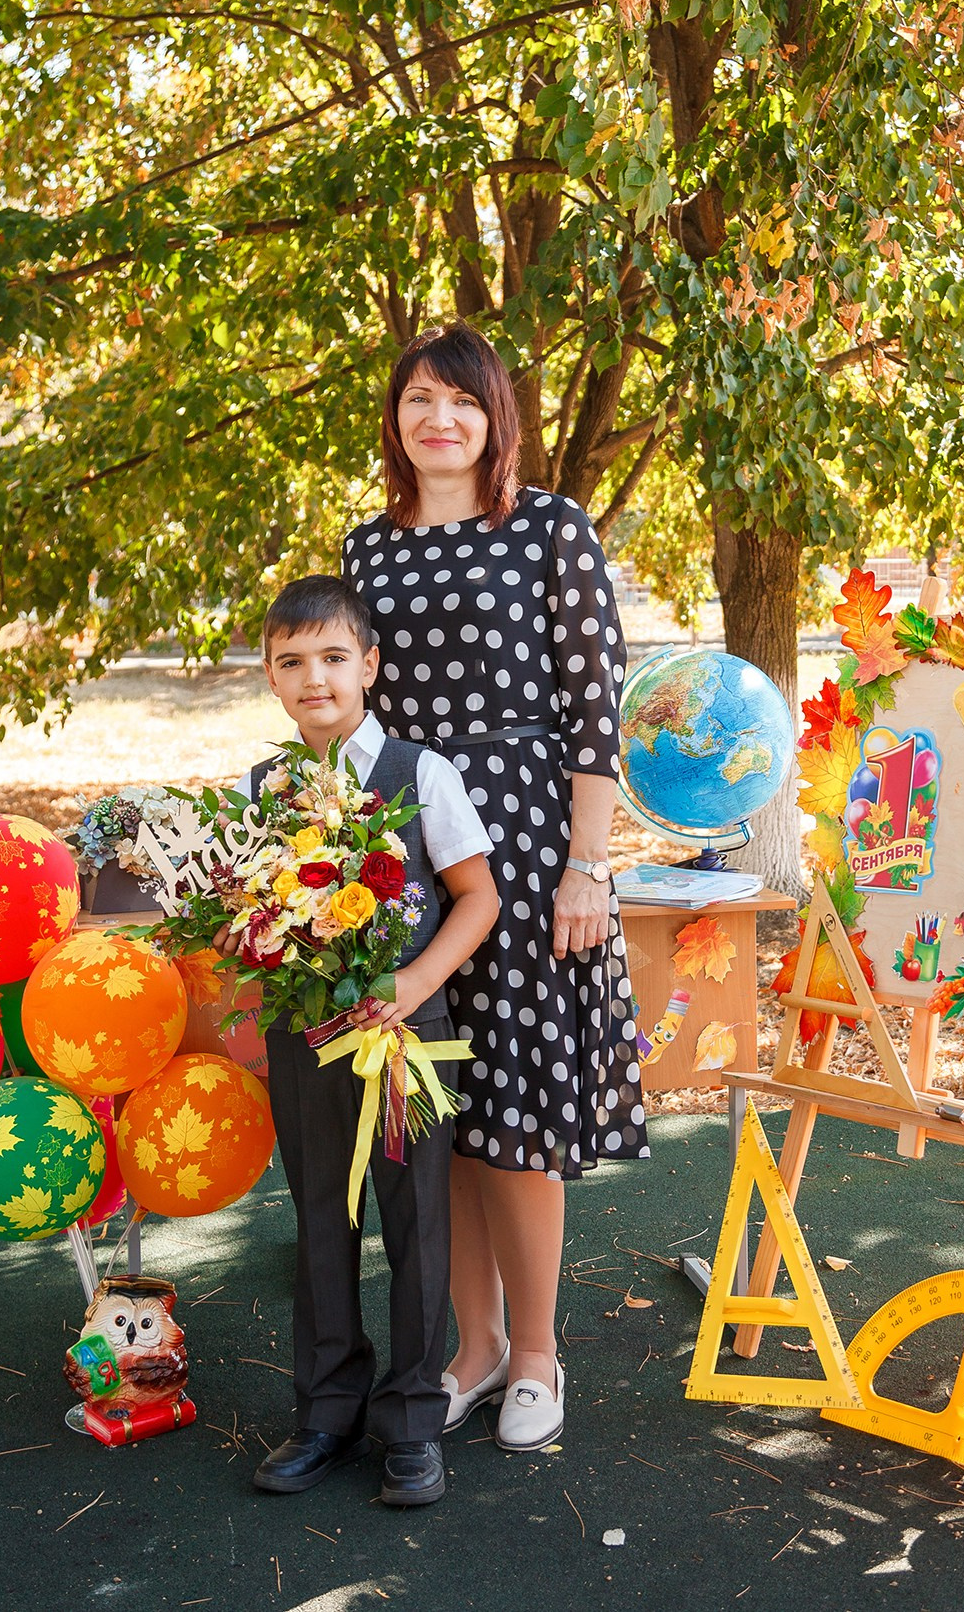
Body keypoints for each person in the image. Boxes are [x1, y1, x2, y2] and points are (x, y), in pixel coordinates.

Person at [342, 322, 649, 1454]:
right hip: (405, 848)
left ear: (495, 419)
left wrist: (586, 864)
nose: (440, 419)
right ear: (395, 419)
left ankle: (535, 1354)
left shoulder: (549, 528)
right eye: (419, 399)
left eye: (463, 401)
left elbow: (594, 708)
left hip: (524, 840)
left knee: (515, 1105)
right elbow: (350, 703)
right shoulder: (366, 551)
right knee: (440, 1107)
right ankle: (470, 1348)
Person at [215, 575, 498, 1507]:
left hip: (406, 1039)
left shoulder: (421, 773)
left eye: (334, 657)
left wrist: (416, 983)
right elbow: (249, 916)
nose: (315, 678)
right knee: (320, 1223)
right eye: (291, 661)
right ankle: (326, 1411)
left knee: (417, 1223)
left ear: (369, 664)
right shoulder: (258, 790)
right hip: (305, 1042)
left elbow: (478, 898)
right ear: (269, 676)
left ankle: (413, 1419)